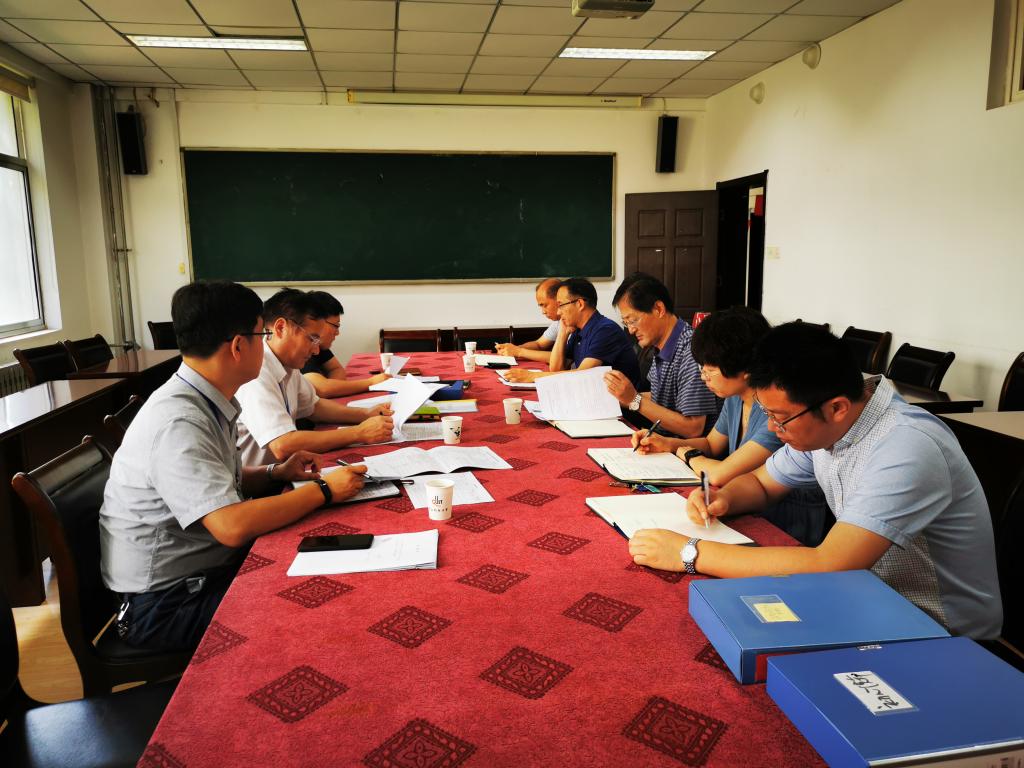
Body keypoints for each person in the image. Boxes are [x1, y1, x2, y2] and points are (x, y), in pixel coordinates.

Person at [628, 322, 1002, 639]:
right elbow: (762, 484)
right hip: (867, 597)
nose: (772, 428)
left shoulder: (905, 446)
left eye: (780, 418)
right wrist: (723, 498)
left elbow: (831, 563)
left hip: (940, 631)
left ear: (837, 407)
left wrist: (690, 553)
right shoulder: (826, 424)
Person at [100, 281, 369, 652]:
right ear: (239, 345)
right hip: (167, 604)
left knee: (332, 567)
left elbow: (223, 485)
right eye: (261, 335)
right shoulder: (180, 420)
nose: (265, 345)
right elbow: (231, 525)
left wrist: (276, 473)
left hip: (200, 574)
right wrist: (323, 490)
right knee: (317, 609)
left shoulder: (204, 399)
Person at [632, 307, 831, 546]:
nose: (703, 378)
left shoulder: (777, 411)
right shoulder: (736, 397)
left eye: (710, 371)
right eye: (701, 369)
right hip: (747, 505)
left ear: (746, 370)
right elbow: (712, 444)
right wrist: (668, 443)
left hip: (786, 523)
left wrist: (688, 454)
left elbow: (721, 473)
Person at [236, 289, 393, 466]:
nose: (317, 350)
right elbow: (283, 445)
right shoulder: (256, 371)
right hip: (259, 481)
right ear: (281, 328)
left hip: (281, 471)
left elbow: (314, 407)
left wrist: (365, 414)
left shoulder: (288, 364)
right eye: (312, 339)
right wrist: (359, 433)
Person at [604, 273, 719, 438]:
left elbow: (693, 428)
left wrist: (634, 400)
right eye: (626, 323)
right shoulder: (660, 345)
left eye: (633, 320)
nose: (631, 330)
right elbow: (661, 398)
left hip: (687, 449)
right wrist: (617, 396)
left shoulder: (691, 350)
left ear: (658, 309)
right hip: (660, 441)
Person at [504, 277, 640, 386]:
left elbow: (581, 375)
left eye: (561, 305)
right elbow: (556, 368)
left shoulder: (605, 330)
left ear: (580, 304)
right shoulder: (577, 329)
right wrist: (562, 334)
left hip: (622, 408)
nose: (558, 312)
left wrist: (532, 376)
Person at [302, 290, 390, 397]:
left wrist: (334, 387)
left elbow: (336, 369)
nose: (337, 333)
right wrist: (371, 382)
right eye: (336, 326)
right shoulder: (301, 348)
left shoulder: (319, 346)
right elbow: (322, 389)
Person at [495, 278, 563, 364]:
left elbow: (563, 359)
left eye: (544, 305)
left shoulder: (573, 322)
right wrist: (513, 349)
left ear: (559, 300)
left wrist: (519, 352)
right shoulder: (558, 323)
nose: (543, 312)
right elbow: (539, 344)